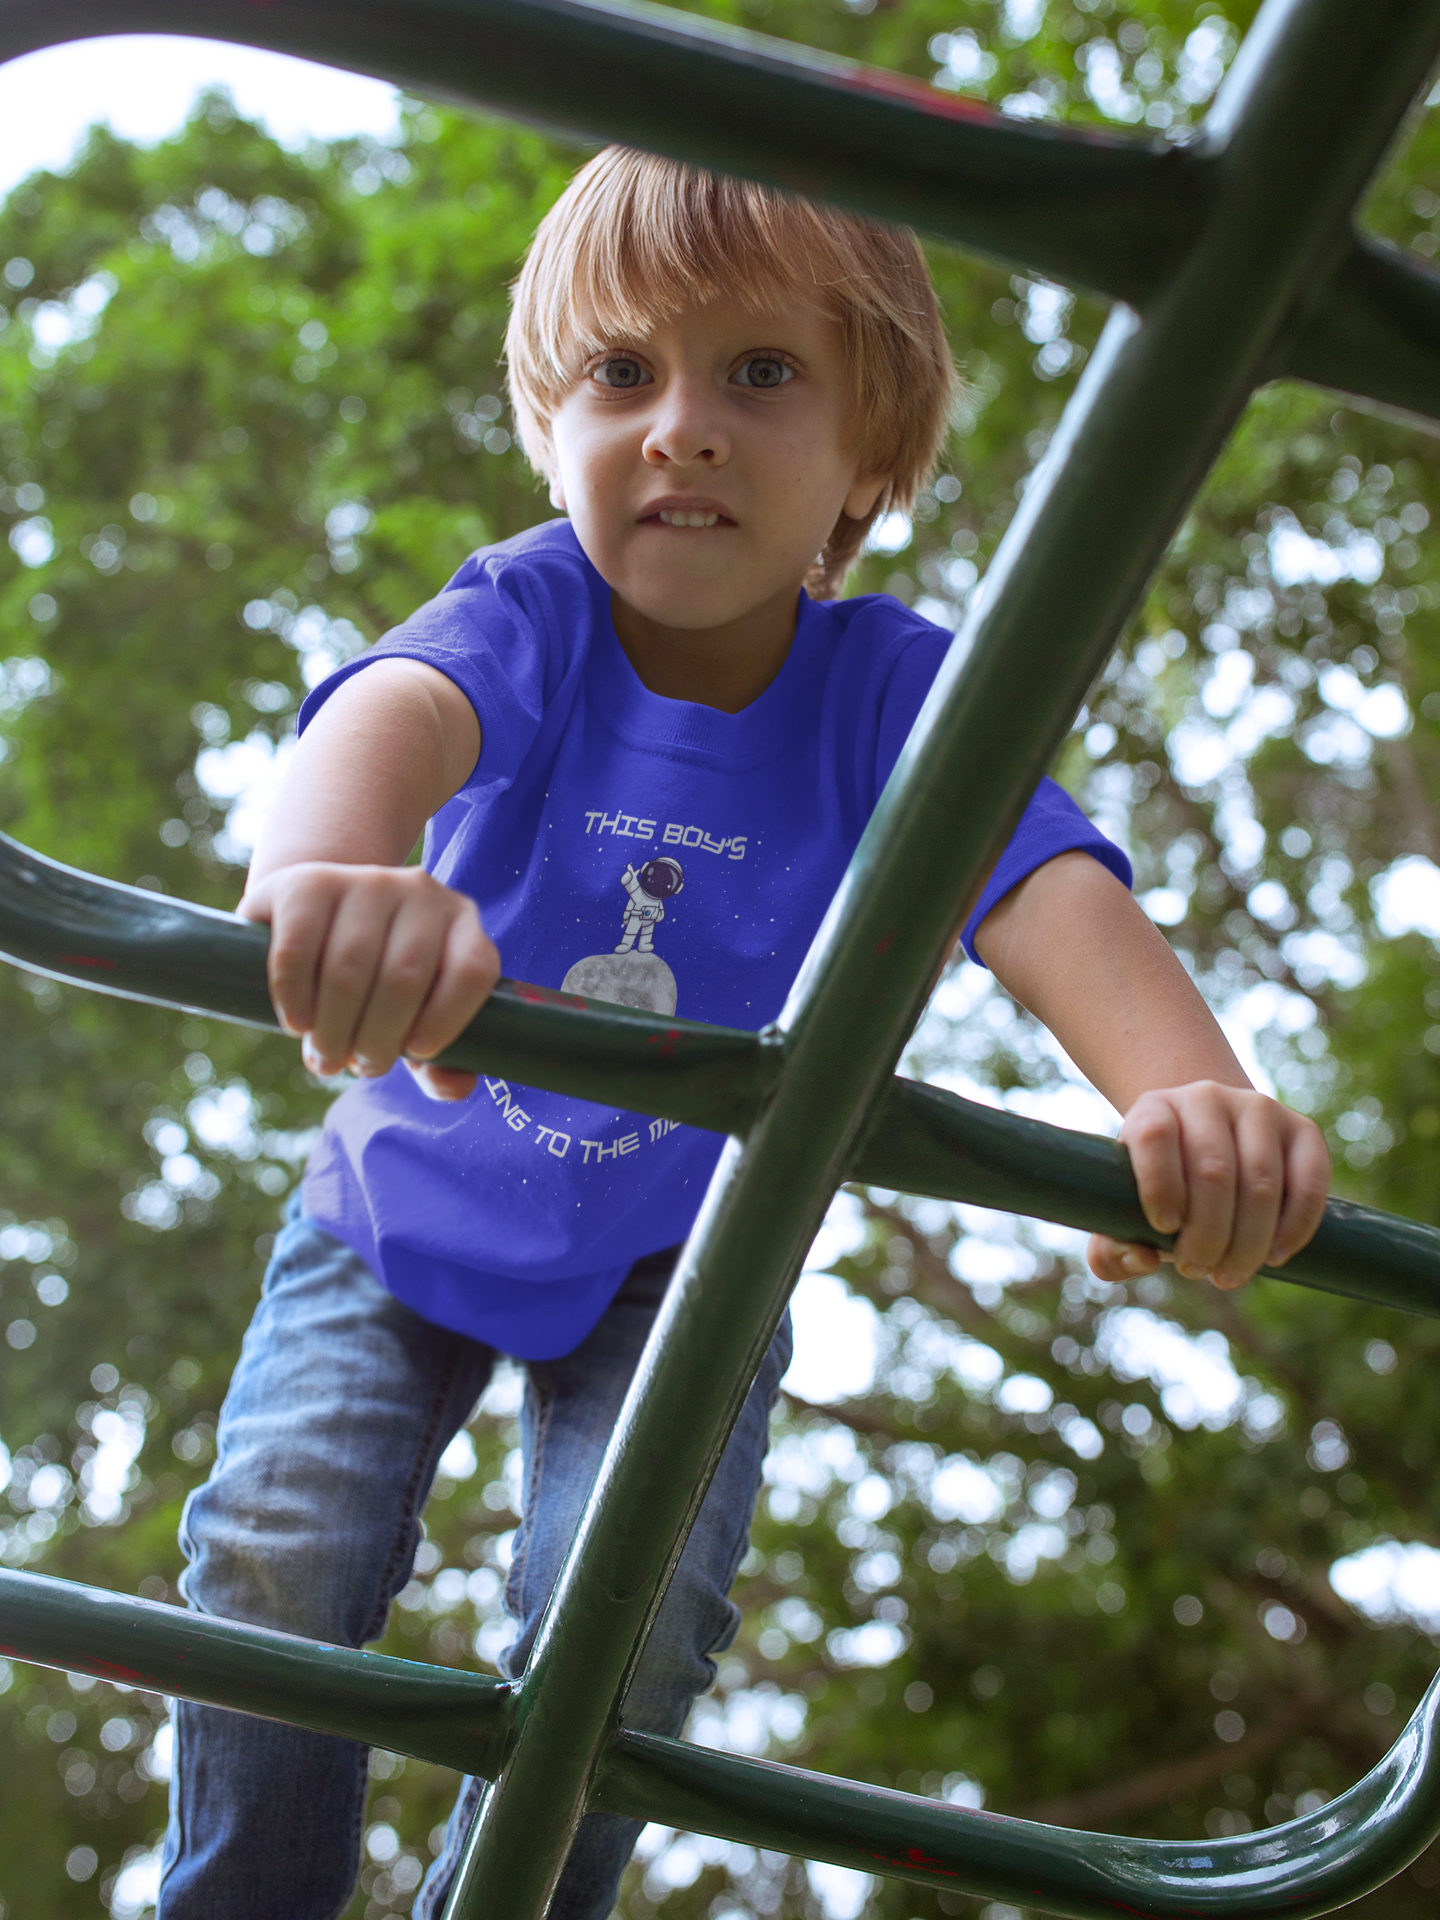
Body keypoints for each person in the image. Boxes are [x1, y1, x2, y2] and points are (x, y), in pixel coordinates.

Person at [156, 148, 1331, 1919]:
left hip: (676, 1257)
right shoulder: (530, 608)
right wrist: (338, 876)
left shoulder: (891, 693)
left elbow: (1048, 890)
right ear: (554, 431)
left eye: (759, 372)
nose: (682, 427)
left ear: (873, 453)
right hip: (395, 1200)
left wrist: (1192, 1097)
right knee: (271, 1556)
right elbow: (380, 719)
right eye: (622, 374)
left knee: (632, 1632)